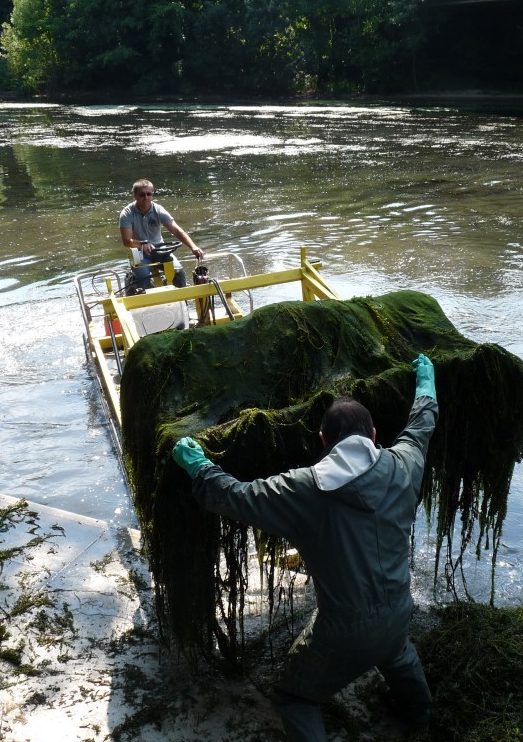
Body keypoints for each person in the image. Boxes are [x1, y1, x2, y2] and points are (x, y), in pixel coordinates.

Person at [172, 354, 439, 741]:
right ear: (375, 437)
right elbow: (421, 425)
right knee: (395, 650)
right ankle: (420, 713)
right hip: (400, 610)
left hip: (344, 631)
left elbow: (238, 497)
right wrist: (426, 384)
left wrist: (200, 467)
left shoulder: (304, 489)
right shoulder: (405, 464)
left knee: (293, 696)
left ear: (323, 441)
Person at [119, 178, 204, 289]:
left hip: (160, 251)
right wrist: (142, 244)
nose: (146, 198)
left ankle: (183, 302)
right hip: (140, 254)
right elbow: (126, 241)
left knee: (178, 272)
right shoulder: (127, 213)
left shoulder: (158, 210)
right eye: (142, 195)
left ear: (152, 195)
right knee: (143, 277)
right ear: (134, 195)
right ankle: (148, 302)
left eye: (149, 194)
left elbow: (177, 230)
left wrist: (193, 247)